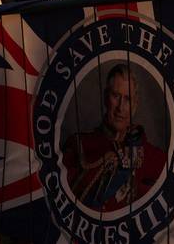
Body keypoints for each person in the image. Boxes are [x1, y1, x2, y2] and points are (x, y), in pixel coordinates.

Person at [62, 64, 166, 211]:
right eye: (116, 96)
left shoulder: (148, 153)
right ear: (106, 97)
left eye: (127, 99)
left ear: (135, 105)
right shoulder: (79, 146)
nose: (120, 108)